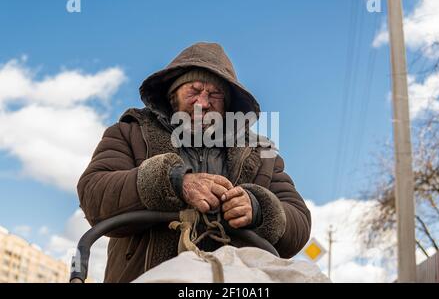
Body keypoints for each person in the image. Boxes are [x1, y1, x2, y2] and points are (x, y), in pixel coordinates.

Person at [77, 42, 311, 282]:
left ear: (227, 105)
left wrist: (260, 208)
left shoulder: (261, 153)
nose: (203, 102)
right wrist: (173, 181)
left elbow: (299, 223)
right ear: (172, 95)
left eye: (215, 94)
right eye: (194, 90)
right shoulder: (130, 132)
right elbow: (94, 192)